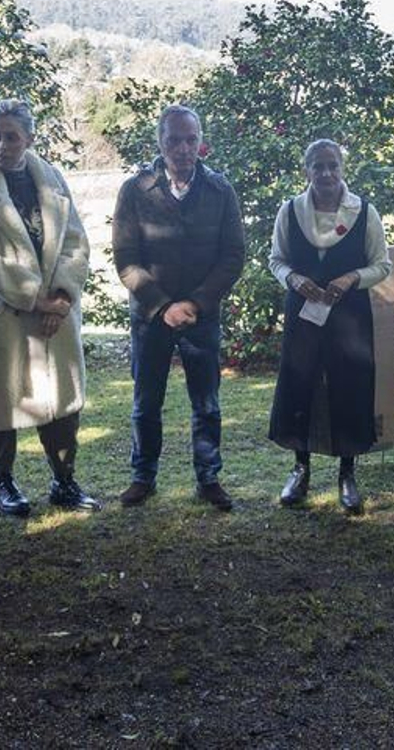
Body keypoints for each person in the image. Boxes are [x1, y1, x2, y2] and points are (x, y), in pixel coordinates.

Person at [0, 99, 97, 516]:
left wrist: (63, 298)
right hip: (0, 315)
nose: (1, 144)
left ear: (29, 139)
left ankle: (64, 482)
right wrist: (36, 298)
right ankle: (5, 484)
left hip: (56, 316)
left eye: (11, 136)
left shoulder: (51, 178)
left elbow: (76, 241)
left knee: (62, 404)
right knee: (1, 405)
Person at [112, 106, 244, 511]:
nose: (183, 149)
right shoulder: (135, 191)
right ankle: (142, 477)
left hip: (200, 317)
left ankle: (208, 478)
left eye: (190, 140)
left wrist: (195, 304)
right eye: (174, 140)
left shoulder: (220, 190)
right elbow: (126, 258)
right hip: (151, 317)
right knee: (145, 401)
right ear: (160, 142)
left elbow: (233, 256)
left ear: (200, 141)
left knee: (206, 402)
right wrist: (163, 306)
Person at [268, 139, 392, 513]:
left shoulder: (364, 212)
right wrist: (293, 279)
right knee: (300, 383)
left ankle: (347, 474)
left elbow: (382, 265)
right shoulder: (289, 211)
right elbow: (277, 260)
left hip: (349, 316)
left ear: (342, 170)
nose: (326, 173)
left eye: (332, 166)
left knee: (349, 386)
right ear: (306, 171)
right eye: (318, 166)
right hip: (303, 315)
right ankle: (300, 470)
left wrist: (352, 277)